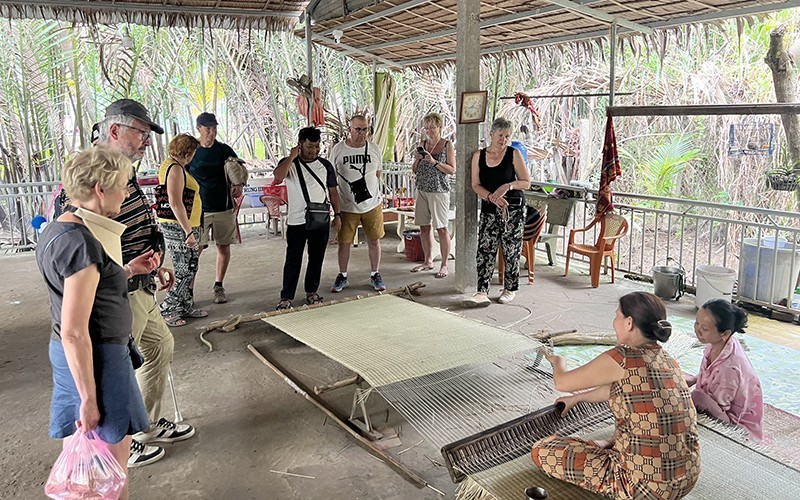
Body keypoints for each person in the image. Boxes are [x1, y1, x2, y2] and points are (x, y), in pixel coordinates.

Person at [36, 147, 161, 500]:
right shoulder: (82, 245)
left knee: (87, 468)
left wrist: (130, 270)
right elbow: (75, 331)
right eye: (122, 185)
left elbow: (84, 289)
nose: (126, 193)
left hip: (74, 357)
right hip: (97, 361)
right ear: (100, 188)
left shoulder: (60, 229)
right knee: (108, 469)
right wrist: (89, 398)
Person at [97, 99, 195, 467]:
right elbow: (82, 242)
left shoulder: (126, 169)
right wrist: (125, 270)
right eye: (140, 132)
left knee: (159, 346)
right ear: (115, 130)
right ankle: (120, 441)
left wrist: (153, 266)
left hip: (143, 282)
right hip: (118, 289)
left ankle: (145, 424)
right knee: (117, 366)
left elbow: (138, 220)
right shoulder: (96, 172)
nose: (145, 142)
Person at [532, 291, 701, 499]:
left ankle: (605, 448)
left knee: (542, 450)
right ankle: (610, 445)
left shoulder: (622, 357)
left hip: (644, 488)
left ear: (629, 323)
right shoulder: (666, 359)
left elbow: (562, 382)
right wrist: (578, 398)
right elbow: (620, 388)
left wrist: (558, 361)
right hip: (688, 477)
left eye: (616, 316)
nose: (614, 322)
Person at [463, 117, 531, 307]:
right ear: (491, 134)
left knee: (511, 250)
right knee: (485, 249)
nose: (503, 140)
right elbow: (475, 185)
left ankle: (510, 289)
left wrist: (507, 186)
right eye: (500, 135)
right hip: (489, 208)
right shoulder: (479, 155)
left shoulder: (513, 153)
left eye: (507, 136)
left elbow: (526, 182)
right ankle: (482, 290)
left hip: (513, 209)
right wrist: (492, 197)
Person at [274, 126, 341, 310]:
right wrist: (291, 156)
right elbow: (278, 177)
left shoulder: (325, 165)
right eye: (309, 147)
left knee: (316, 258)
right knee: (293, 259)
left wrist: (338, 215)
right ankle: (286, 297)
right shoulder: (289, 164)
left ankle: (312, 292)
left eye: (317, 147)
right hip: (297, 222)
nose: (314, 151)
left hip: (320, 220)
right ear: (300, 145)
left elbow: (333, 192)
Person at [685, 299, 763, 441]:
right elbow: (710, 372)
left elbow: (720, 407)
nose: (697, 329)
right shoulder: (719, 344)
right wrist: (694, 379)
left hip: (736, 425)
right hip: (722, 402)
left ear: (725, 333)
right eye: (697, 322)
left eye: (705, 328)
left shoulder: (729, 367)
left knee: (693, 397)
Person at [187, 112, 243, 304]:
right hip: (198, 211)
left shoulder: (224, 150)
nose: (211, 133)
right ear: (199, 128)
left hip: (223, 206)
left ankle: (219, 285)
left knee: (223, 246)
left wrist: (238, 185)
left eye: (214, 129)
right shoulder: (191, 151)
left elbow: (239, 172)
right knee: (196, 250)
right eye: (208, 129)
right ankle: (188, 289)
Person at [329, 114, 386, 293]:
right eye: (358, 129)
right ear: (350, 129)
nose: (362, 133)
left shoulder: (374, 149)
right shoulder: (338, 150)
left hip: (372, 204)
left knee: (374, 240)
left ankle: (375, 273)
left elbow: (377, 174)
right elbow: (331, 177)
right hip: (346, 205)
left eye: (365, 129)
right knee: (344, 242)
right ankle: (342, 275)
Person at [157, 134, 206, 327]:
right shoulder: (175, 168)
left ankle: (185, 304)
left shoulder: (172, 165)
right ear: (188, 151)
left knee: (191, 267)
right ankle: (169, 308)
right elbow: (175, 202)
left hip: (187, 224)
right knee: (184, 270)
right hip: (179, 226)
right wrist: (187, 232)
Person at [410, 112, 455, 279]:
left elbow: (451, 169)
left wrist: (433, 161)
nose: (429, 131)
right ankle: (427, 260)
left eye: (432, 127)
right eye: (427, 127)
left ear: (440, 127)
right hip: (422, 188)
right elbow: (414, 170)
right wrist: (417, 160)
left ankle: (444, 264)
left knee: (442, 228)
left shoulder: (446, 145)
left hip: (439, 190)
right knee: (423, 226)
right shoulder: (422, 143)